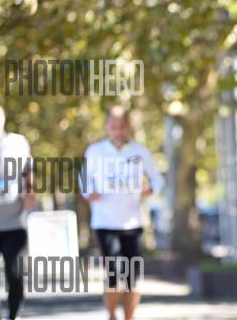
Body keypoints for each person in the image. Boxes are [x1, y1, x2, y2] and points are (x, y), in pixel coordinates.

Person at [81, 106, 163, 320]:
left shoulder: (140, 151)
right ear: (107, 127)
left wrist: (150, 189)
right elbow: (84, 182)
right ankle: (111, 315)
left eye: (122, 126)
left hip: (132, 223)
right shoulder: (95, 151)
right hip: (104, 222)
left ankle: (129, 317)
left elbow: (157, 179)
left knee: (131, 277)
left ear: (129, 127)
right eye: (113, 126)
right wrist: (90, 193)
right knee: (113, 273)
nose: (118, 131)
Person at [0, 100, 35, 320]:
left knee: (15, 275)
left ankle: (14, 316)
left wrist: (31, 191)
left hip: (15, 223)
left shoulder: (18, 142)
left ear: (4, 118)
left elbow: (28, 170)